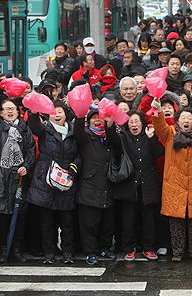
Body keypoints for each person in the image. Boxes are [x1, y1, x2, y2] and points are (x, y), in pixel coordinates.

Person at [150, 96, 192, 263]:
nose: (186, 120)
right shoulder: (170, 133)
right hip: (175, 184)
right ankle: (177, 252)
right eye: (183, 117)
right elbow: (159, 125)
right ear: (177, 120)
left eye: (189, 118)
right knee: (176, 221)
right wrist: (157, 111)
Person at [26, 100, 81, 265]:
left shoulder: (73, 131)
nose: (57, 115)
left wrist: (75, 167)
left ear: (66, 114)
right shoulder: (45, 129)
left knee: (67, 221)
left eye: (60, 111)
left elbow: (79, 154)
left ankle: (68, 252)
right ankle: (49, 252)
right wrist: (34, 113)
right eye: (53, 112)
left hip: (66, 179)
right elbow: (34, 126)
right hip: (45, 181)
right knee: (46, 221)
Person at [106, 110, 164, 261]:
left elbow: (159, 152)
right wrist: (110, 124)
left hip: (148, 183)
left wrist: (152, 138)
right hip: (129, 184)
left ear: (142, 123)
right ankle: (129, 248)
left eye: (137, 121)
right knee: (128, 219)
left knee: (149, 219)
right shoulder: (124, 137)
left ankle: (149, 248)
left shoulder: (148, 136)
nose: (134, 125)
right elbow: (112, 139)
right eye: (131, 121)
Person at [74, 108, 116, 265]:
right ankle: (90, 251)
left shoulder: (109, 137)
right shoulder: (86, 136)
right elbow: (77, 132)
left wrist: (111, 126)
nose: (98, 120)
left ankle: (104, 247)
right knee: (89, 222)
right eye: (94, 117)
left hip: (108, 184)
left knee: (107, 222)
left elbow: (117, 143)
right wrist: (80, 117)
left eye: (101, 117)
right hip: (89, 185)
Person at [0, 99, 36, 264]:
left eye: (12, 109)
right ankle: (2, 250)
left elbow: (31, 150)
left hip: (20, 178)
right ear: (1, 113)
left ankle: (15, 250)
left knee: (19, 215)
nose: (10, 111)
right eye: (6, 109)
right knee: (3, 216)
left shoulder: (24, 128)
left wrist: (26, 166)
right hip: (2, 178)